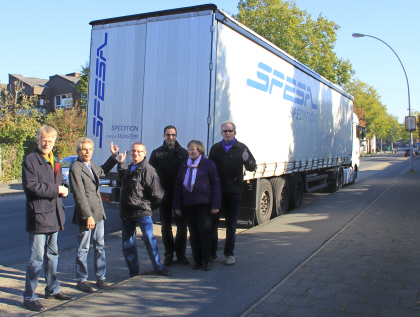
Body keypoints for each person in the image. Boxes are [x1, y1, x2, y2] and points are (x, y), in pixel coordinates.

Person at [21, 125, 72, 312]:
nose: (47, 143)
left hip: (55, 215)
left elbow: (59, 182)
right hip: (39, 216)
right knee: (35, 259)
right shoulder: (31, 160)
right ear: (37, 140)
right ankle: (29, 296)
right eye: (44, 140)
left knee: (53, 256)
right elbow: (31, 187)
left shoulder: (55, 160)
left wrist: (64, 187)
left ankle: (52, 289)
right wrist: (57, 189)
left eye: (50, 141)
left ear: (54, 142)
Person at [69, 138, 119, 293]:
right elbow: (79, 195)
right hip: (87, 214)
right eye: (84, 149)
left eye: (90, 149)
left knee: (100, 246)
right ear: (78, 151)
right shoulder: (76, 168)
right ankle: (82, 280)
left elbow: (102, 170)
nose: (87, 152)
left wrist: (113, 157)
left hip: (98, 212)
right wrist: (87, 216)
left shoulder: (90, 165)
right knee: (83, 248)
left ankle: (101, 277)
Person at [117, 142, 171, 277]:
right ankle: (133, 272)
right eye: (134, 151)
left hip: (142, 212)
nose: (136, 153)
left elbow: (158, 194)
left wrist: (148, 207)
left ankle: (158, 267)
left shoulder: (148, 169)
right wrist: (121, 163)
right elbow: (124, 176)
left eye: (139, 151)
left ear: (144, 153)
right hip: (127, 212)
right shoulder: (130, 168)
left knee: (148, 238)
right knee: (128, 245)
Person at [209, 120, 256, 266]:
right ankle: (212, 252)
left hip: (234, 191)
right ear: (221, 133)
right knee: (213, 223)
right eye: (225, 131)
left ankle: (229, 254)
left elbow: (252, 167)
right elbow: (209, 168)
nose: (227, 133)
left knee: (231, 224)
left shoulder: (242, 148)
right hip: (217, 192)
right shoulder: (215, 148)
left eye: (230, 131)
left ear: (235, 132)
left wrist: (247, 161)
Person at [173, 140, 221, 271]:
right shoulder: (184, 166)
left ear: (200, 151)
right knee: (193, 233)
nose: (191, 152)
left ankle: (207, 260)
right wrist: (177, 206)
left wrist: (216, 204)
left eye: (193, 149)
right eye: (189, 149)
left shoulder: (208, 164)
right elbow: (178, 187)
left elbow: (216, 185)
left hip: (204, 205)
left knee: (204, 232)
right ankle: (197, 261)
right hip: (189, 205)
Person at [149, 125, 189, 266]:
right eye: (168, 135)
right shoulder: (156, 154)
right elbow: (151, 176)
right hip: (163, 196)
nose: (170, 137)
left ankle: (181, 254)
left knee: (182, 226)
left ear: (176, 136)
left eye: (173, 135)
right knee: (165, 226)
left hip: (180, 196)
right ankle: (169, 254)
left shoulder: (184, 153)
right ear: (164, 136)